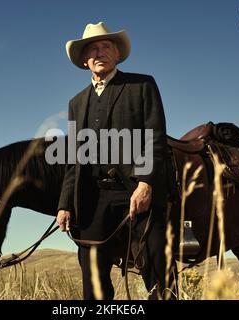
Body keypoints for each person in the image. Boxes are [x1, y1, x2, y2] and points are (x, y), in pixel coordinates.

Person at [57, 22, 172, 300]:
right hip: (93, 196)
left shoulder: (142, 85)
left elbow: (154, 136)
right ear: (85, 61)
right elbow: (74, 158)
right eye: (93, 49)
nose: (99, 52)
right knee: (92, 275)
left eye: (105, 46)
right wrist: (64, 205)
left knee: (155, 263)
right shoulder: (76, 102)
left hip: (134, 189)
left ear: (117, 55)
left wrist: (145, 183)